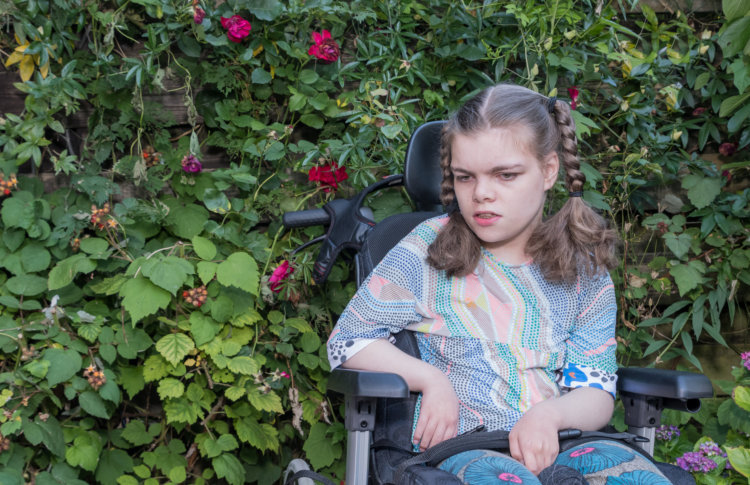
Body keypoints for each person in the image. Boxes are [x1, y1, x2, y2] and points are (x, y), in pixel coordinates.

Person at [327, 84, 671, 484]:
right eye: (464, 177)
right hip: (465, 449)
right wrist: (429, 379)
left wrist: (549, 415)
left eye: (505, 175)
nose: (482, 194)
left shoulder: (584, 270)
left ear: (548, 171)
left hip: (569, 441)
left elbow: (596, 391)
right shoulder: (428, 250)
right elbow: (349, 342)